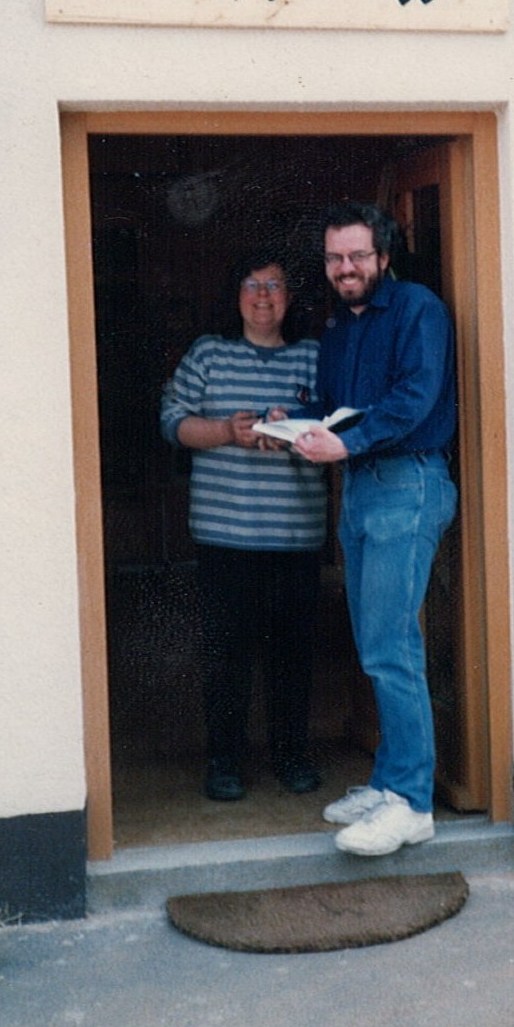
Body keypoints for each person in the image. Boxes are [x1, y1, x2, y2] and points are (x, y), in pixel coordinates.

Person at [292, 202, 458, 856]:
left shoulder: (418, 309)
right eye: (335, 258)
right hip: (361, 485)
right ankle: (390, 780)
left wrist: (344, 443)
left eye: (357, 255)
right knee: (374, 641)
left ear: (383, 256)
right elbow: (337, 410)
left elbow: (413, 399)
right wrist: (295, 423)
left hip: (407, 481)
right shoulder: (338, 328)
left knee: (390, 644)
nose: (345, 268)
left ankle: (412, 803)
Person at [160, 252, 327, 801]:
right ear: (236, 295)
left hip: (295, 536)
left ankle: (292, 757)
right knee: (226, 656)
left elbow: (338, 432)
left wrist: (292, 432)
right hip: (223, 536)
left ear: (289, 296)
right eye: (252, 284)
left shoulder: (313, 358)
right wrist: (227, 432)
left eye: (274, 285)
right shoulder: (209, 353)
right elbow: (171, 422)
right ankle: (224, 761)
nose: (263, 296)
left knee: (292, 656)